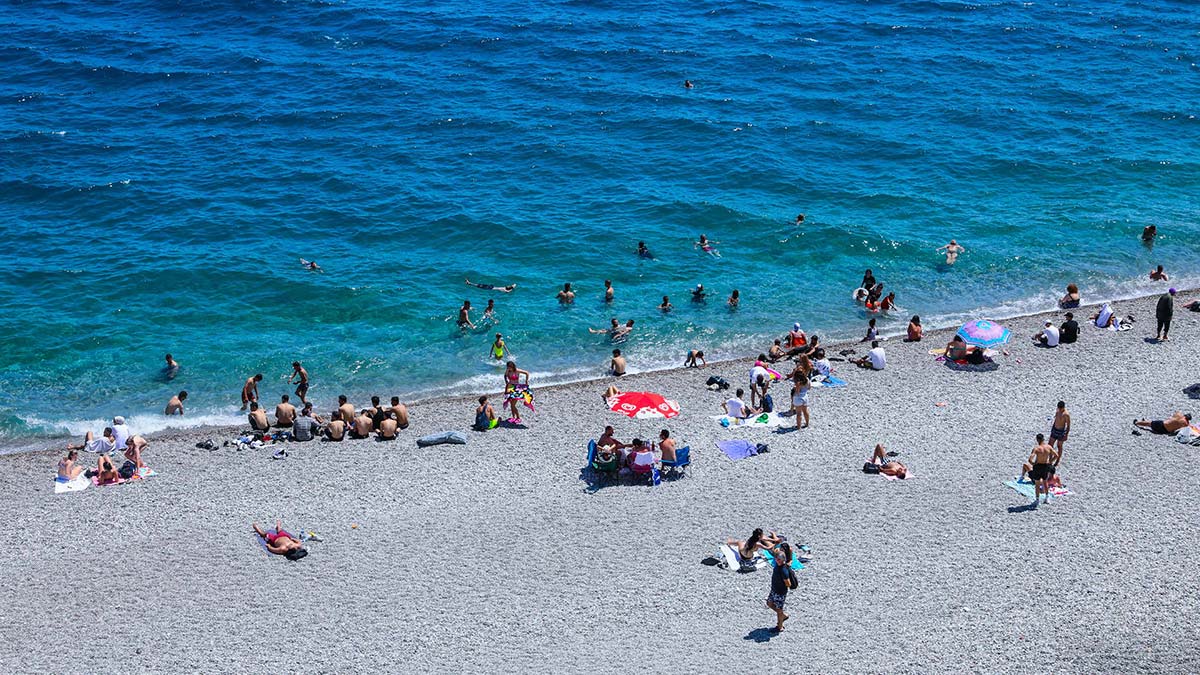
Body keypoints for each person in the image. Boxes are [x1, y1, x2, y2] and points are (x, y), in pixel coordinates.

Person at [1024, 433, 1059, 504]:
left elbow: (1030, 459)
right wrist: (1050, 461)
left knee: (1037, 483)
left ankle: (1037, 500)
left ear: (1037, 440)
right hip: (1045, 466)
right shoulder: (1048, 447)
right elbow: (1056, 455)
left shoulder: (1036, 448)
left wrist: (1033, 463)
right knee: (1045, 482)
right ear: (1043, 439)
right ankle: (1047, 498)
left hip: (1038, 466)